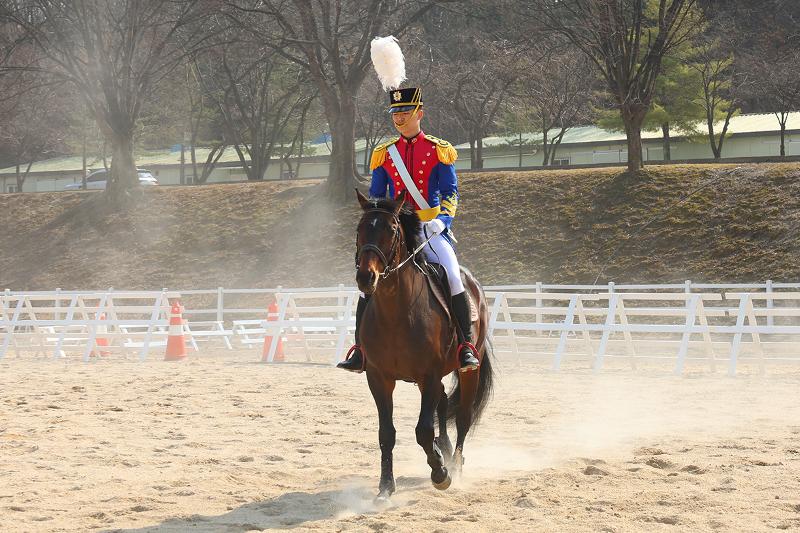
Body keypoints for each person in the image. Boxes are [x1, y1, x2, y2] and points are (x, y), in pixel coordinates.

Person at [337, 85, 480, 373]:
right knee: (368, 284)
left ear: (419, 113)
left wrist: (443, 220)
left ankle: (466, 345)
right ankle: (360, 350)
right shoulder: (385, 154)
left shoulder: (439, 150)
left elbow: (451, 193)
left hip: (430, 227)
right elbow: (377, 197)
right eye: (395, 112)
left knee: (452, 274)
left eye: (404, 111)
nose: (398, 117)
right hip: (396, 229)